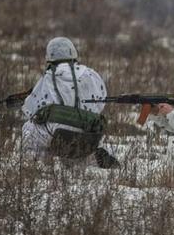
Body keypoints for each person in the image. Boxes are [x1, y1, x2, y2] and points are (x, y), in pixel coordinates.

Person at [21, 37, 118, 168]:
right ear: (73, 53)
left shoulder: (48, 76)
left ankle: (37, 165)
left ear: (49, 57)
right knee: (88, 135)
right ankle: (92, 161)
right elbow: (101, 102)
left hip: (57, 134)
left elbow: (30, 111)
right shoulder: (90, 74)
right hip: (87, 135)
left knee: (28, 127)